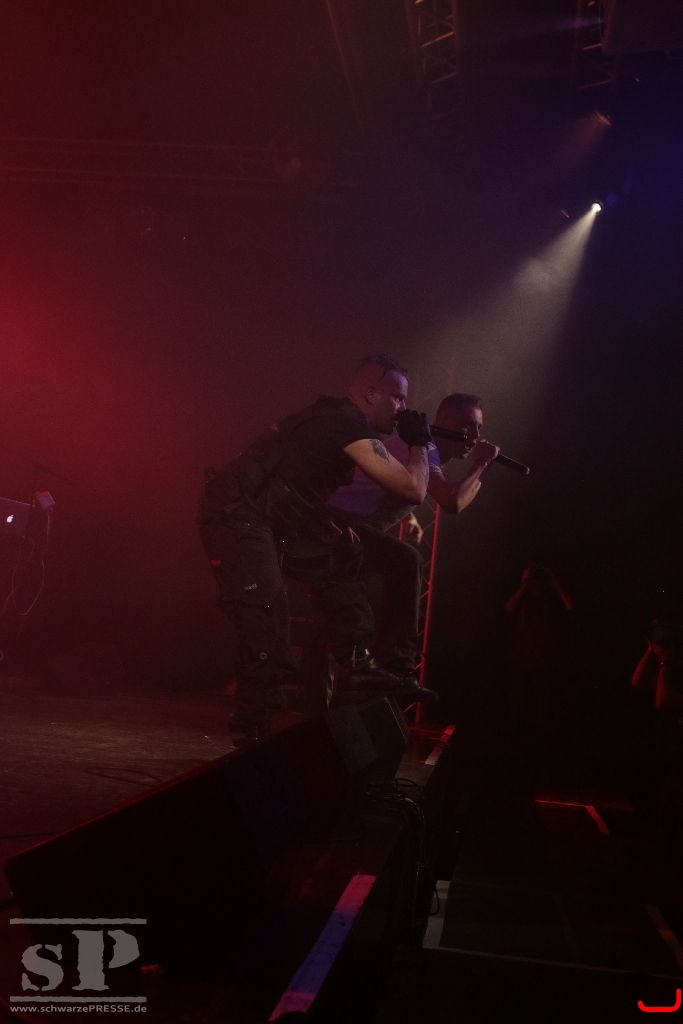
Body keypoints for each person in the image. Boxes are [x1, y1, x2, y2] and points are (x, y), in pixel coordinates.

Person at [197, 354, 436, 744]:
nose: (403, 408)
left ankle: (361, 666)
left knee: (345, 555)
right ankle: (253, 728)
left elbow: (295, 482)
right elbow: (413, 489)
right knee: (266, 615)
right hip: (237, 515)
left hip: (278, 516)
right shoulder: (344, 423)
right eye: (397, 398)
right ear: (371, 394)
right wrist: (420, 444)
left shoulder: (341, 421)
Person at [326, 393, 500, 683]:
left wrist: (410, 519)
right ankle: (396, 666)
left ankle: (341, 690)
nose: (475, 436)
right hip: (335, 523)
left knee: (337, 624)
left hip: (350, 530)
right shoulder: (424, 447)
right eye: (468, 425)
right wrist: (482, 464)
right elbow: (452, 501)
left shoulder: (426, 453)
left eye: (479, 428)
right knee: (407, 561)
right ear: (444, 421)